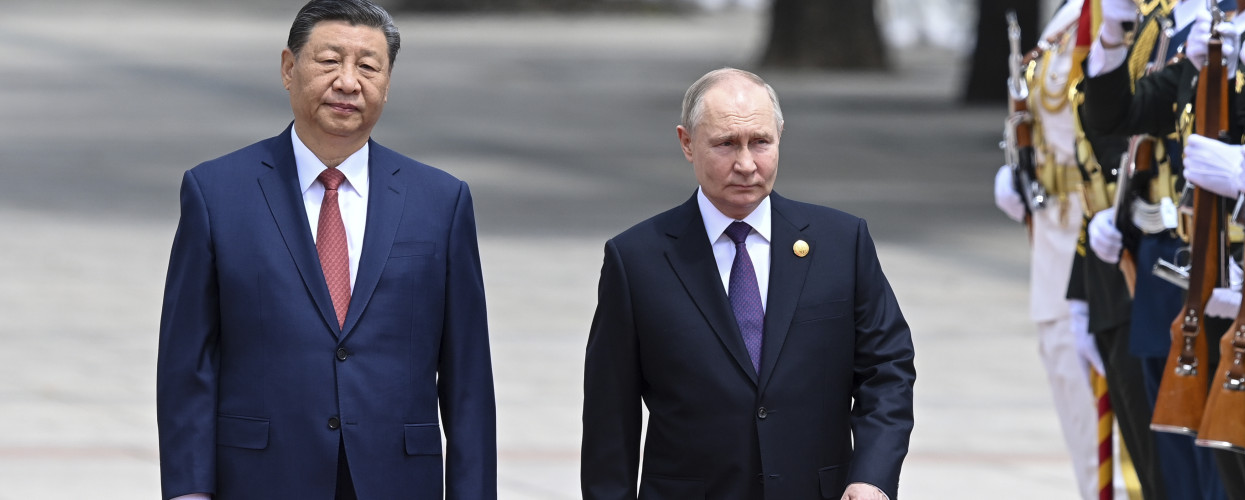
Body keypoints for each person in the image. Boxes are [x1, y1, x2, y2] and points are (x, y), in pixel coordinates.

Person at [155, 1, 498, 498]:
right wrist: (189, 490)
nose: (348, 82)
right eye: (329, 61)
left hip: (397, 480)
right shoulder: (216, 192)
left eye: (368, 67)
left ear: (387, 82)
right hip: (261, 478)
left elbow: (468, 377)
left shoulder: (440, 201)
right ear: (289, 69)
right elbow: (188, 362)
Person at [580, 68, 915, 500]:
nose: (745, 164)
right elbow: (611, 418)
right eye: (725, 144)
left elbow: (886, 368)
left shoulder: (840, 243)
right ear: (687, 142)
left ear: (780, 137)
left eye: (760, 142)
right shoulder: (637, 260)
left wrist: (872, 476)